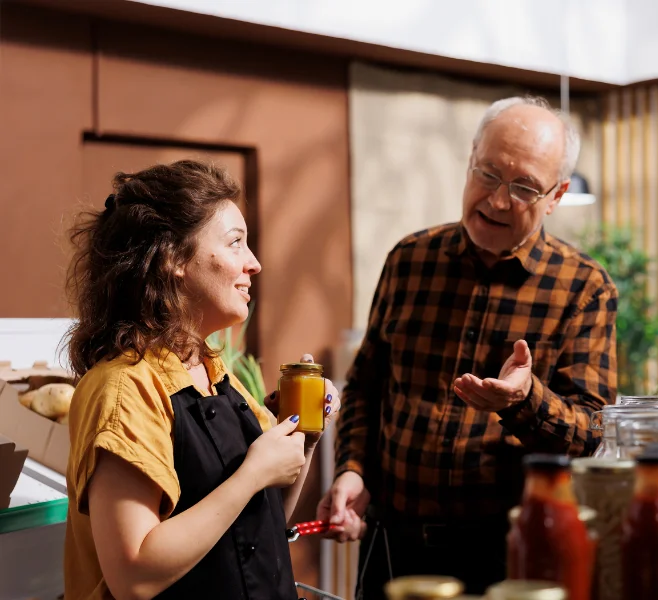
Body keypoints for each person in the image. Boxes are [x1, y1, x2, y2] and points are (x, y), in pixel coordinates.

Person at [318, 96, 618, 597]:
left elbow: (593, 432)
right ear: (471, 159)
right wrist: (352, 470)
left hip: (508, 555)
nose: (498, 200)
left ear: (557, 195)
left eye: (523, 187)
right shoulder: (409, 260)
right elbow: (367, 386)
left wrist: (525, 401)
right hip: (393, 544)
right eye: (488, 174)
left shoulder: (584, 288)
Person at [62, 159, 340, 600]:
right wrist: (251, 474)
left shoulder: (214, 372)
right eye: (235, 243)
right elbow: (133, 576)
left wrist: (300, 440)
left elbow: (259, 525)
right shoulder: (124, 388)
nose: (255, 264)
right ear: (173, 257)